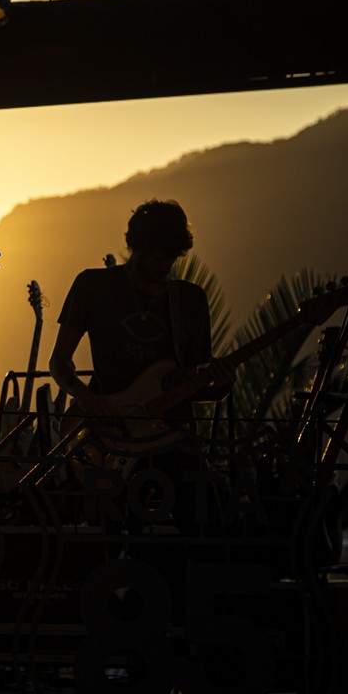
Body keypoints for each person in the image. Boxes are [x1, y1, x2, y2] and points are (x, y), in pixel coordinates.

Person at [47, 199, 235, 530]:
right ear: (137, 247)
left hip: (174, 440)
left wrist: (219, 387)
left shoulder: (190, 300)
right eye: (160, 258)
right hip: (109, 437)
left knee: (208, 528)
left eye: (173, 259)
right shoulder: (93, 287)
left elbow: (191, 385)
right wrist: (87, 399)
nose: (166, 268)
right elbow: (59, 363)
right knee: (113, 538)